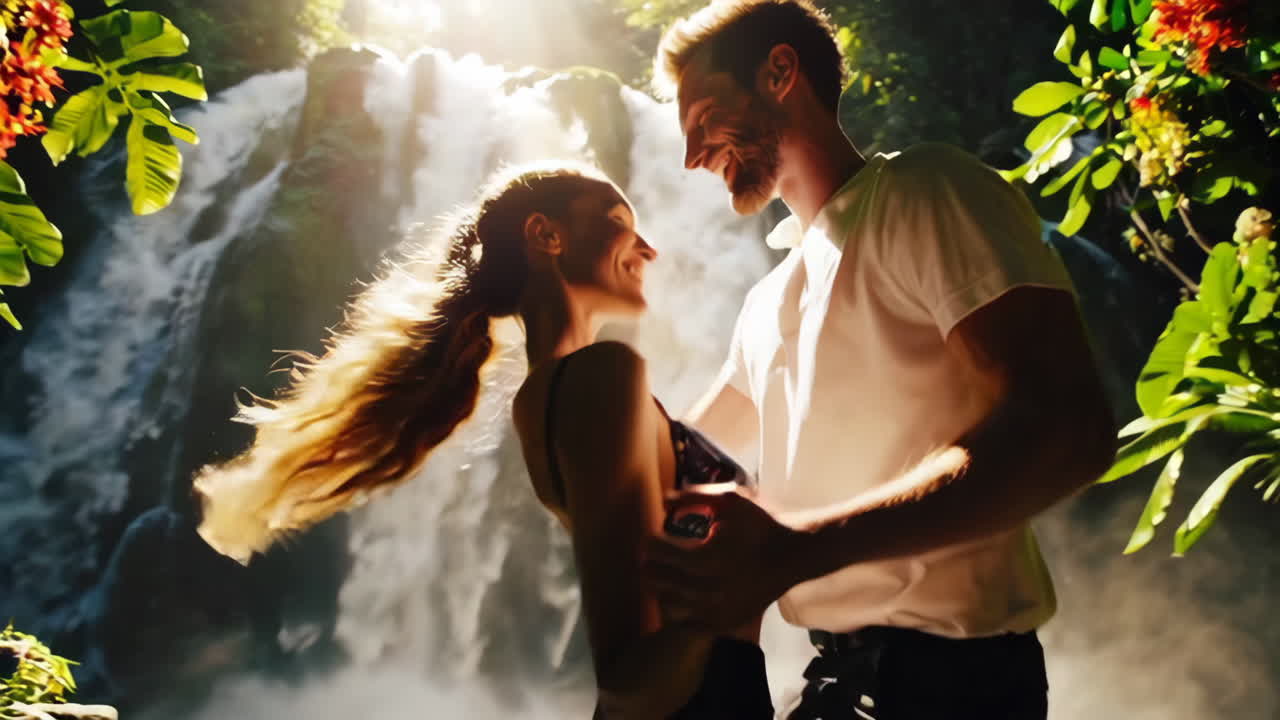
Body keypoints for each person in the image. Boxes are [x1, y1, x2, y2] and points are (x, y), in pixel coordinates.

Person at [643, 1, 1117, 718]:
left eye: (705, 116)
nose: (693, 156)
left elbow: (1067, 429)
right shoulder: (767, 300)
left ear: (779, 73)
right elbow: (676, 455)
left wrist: (796, 548)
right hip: (835, 679)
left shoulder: (925, 192)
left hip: (956, 688)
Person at [192, 163, 774, 719]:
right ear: (545, 234)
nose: (649, 248)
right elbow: (627, 679)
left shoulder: (546, 395)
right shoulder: (601, 377)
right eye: (619, 221)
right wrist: (762, 569)